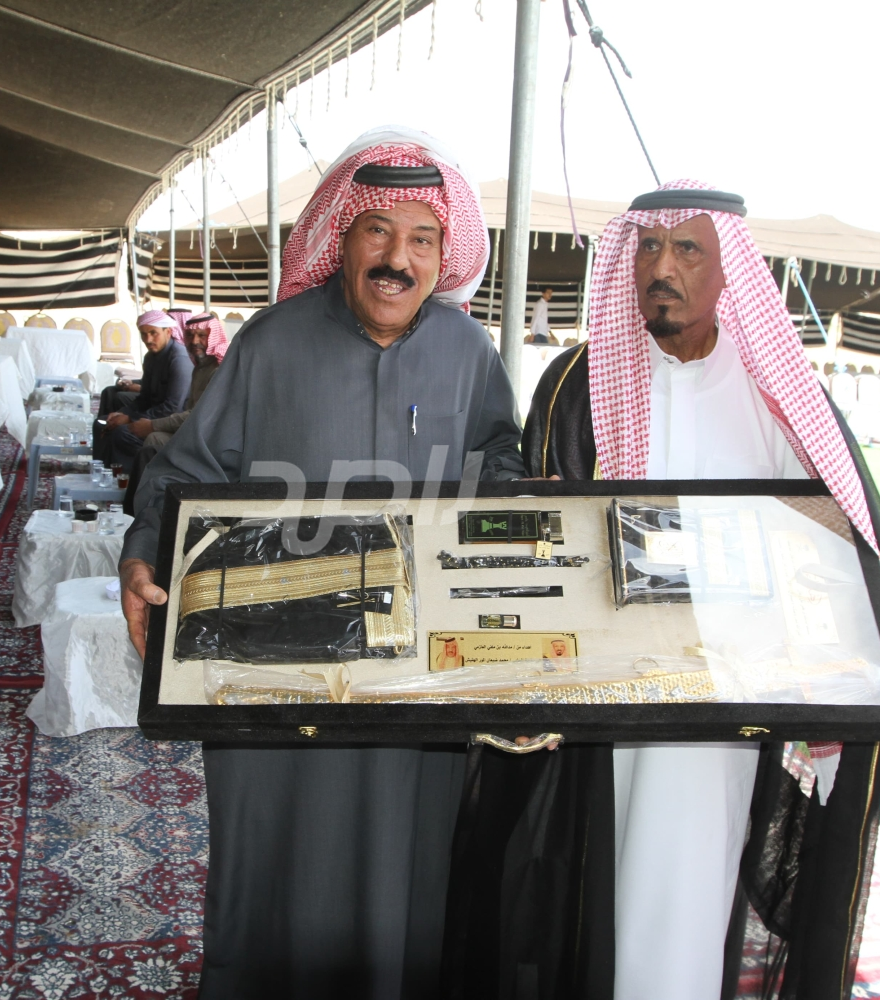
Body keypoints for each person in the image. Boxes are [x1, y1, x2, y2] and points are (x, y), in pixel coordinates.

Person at [445, 180, 880, 998]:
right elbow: (535, 540)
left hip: (720, 709)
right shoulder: (577, 383)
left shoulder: (774, 394)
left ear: (730, 268)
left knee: (688, 903)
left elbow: (843, 532)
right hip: (597, 710)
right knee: (578, 896)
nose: (662, 268)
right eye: (648, 248)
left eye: (687, 250)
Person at [118, 126, 520, 997]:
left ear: (443, 254)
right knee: (271, 879)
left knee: (406, 885)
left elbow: (501, 469)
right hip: (276, 671)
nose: (397, 260)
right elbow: (186, 474)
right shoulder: (271, 343)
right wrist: (141, 555)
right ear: (342, 237)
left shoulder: (469, 354)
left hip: (415, 681)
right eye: (379, 232)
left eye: (422, 240)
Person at [120, 311, 228, 514]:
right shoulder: (200, 367)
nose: (194, 341)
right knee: (149, 441)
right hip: (195, 433)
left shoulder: (218, 369)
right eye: (190, 336)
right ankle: (146, 506)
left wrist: (152, 424)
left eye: (202, 336)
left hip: (211, 442)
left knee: (151, 441)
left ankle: (143, 510)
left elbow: (198, 416)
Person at [93, 309, 191, 466]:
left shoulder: (179, 359)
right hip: (153, 415)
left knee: (122, 433)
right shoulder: (150, 357)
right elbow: (144, 398)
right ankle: (101, 471)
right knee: (102, 423)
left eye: (153, 333)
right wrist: (122, 413)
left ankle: (125, 477)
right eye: (144, 334)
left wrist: (131, 419)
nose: (148, 339)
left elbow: (172, 407)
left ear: (168, 332)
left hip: (170, 423)